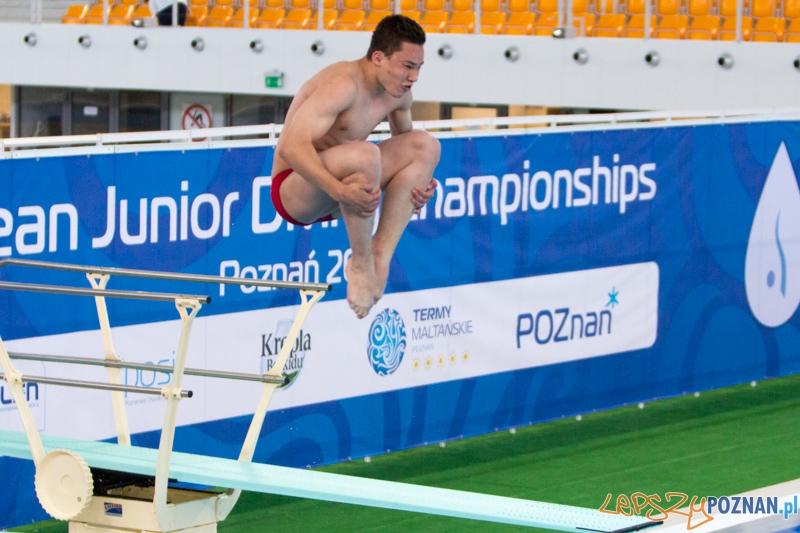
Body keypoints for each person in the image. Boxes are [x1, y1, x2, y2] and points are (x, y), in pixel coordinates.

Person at [272, 15, 440, 320]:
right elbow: (290, 148)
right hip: (297, 191)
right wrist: (339, 191)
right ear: (378, 57)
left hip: (348, 191)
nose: (413, 76)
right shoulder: (342, 86)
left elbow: (407, 150)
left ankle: (379, 255)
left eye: (418, 67)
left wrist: (421, 186)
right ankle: (361, 263)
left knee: (426, 146)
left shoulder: (398, 94)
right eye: (407, 65)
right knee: (365, 155)